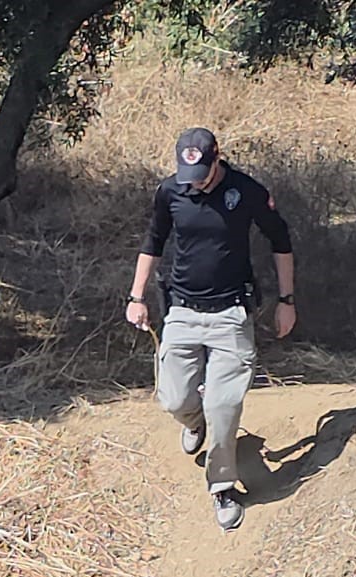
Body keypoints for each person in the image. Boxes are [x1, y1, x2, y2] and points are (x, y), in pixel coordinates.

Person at [127, 126, 297, 531]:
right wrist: (136, 297)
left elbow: (281, 239)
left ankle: (222, 487)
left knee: (223, 405)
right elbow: (153, 241)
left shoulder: (247, 191)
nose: (196, 182)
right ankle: (193, 422)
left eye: (203, 172)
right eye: (190, 175)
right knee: (173, 399)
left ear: (217, 158)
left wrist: (286, 301)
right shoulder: (170, 192)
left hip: (231, 315)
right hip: (182, 313)